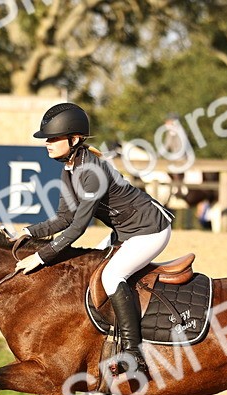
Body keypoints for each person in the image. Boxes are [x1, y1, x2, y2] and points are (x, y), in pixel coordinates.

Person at [12, 102, 175, 379]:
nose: (47, 144)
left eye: (53, 138)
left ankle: (133, 353)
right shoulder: (71, 168)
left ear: (74, 139)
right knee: (88, 271)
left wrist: (40, 257)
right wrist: (29, 232)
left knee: (111, 276)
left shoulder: (91, 173)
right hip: (125, 231)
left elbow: (77, 228)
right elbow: (63, 218)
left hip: (150, 230)